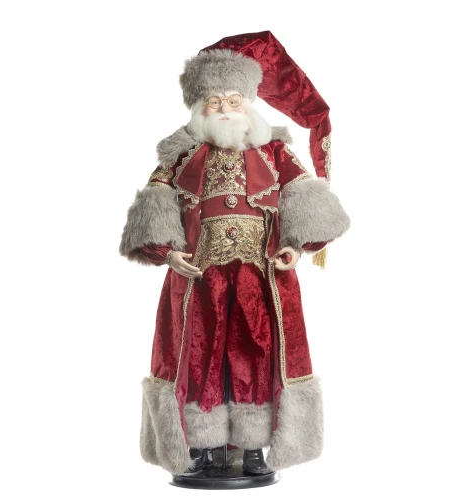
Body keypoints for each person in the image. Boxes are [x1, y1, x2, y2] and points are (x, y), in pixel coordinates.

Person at [119, 31, 350, 477]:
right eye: (214, 102)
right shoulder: (180, 157)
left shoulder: (275, 152)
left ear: (247, 103)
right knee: (198, 356)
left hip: (259, 277)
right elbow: (155, 208)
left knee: (257, 353)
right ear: (199, 107)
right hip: (198, 277)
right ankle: (202, 447)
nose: (225, 109)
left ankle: (254, 445)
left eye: (232, 100)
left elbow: (307, 203)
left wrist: (296, 247)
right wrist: (168, 254)